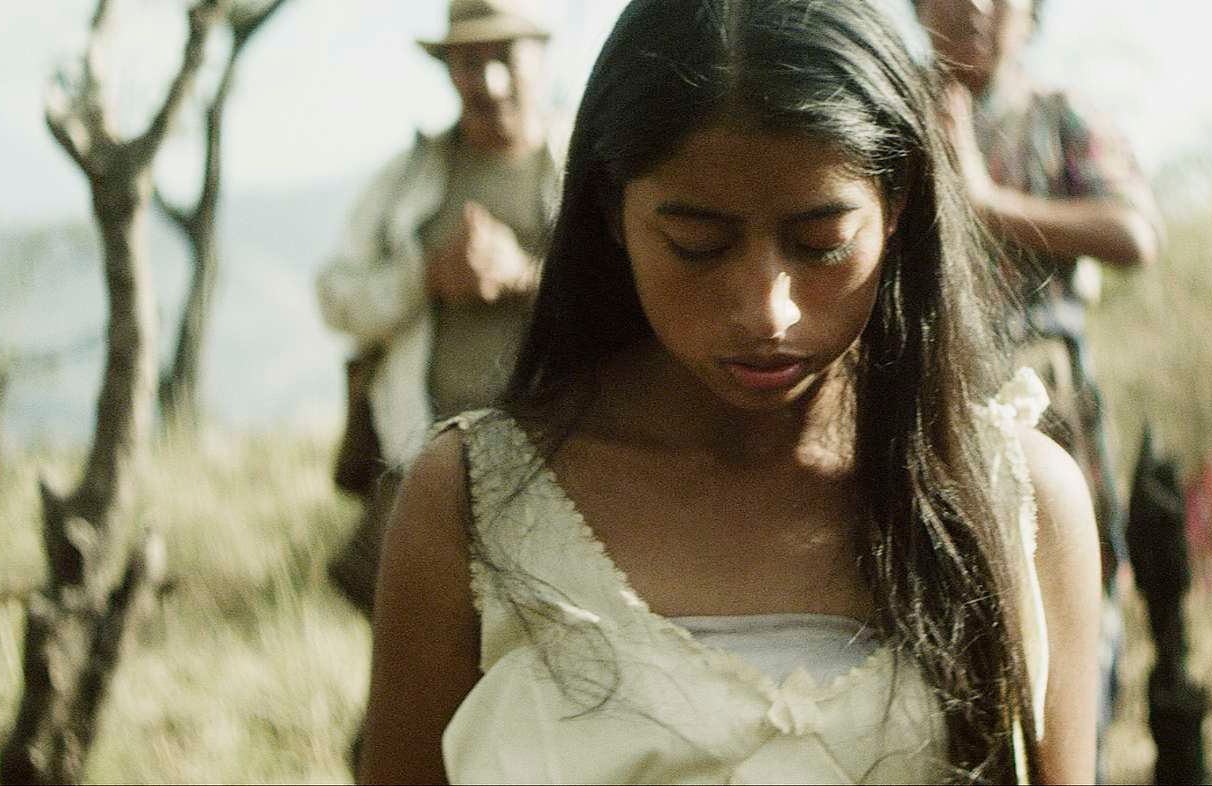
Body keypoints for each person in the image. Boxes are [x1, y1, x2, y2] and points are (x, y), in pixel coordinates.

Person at [357, 0, 1104, 782]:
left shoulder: (1013, 500)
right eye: (698, 245)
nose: (766, 312)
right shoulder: (476, 503)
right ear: (611, 210)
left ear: (899, 204)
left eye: (821, 243)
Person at [911, 0, 1208, 781]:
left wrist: (987, 201)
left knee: (1066, 638)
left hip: (1047, 410)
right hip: (917, 412)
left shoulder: (1059, 117)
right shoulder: (890, 105)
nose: (975, 7)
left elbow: (1134, 231)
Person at [314, 0, 561, 618]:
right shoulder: (408, 179)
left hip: (559, 468)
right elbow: (335, 296)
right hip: (421, 466)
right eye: (471, 62)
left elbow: (641, 301)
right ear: (449, 69)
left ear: (539, 58)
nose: (490, 82)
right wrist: (425, 277)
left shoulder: (590, 168)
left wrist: (524, 276)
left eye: (504, 57)